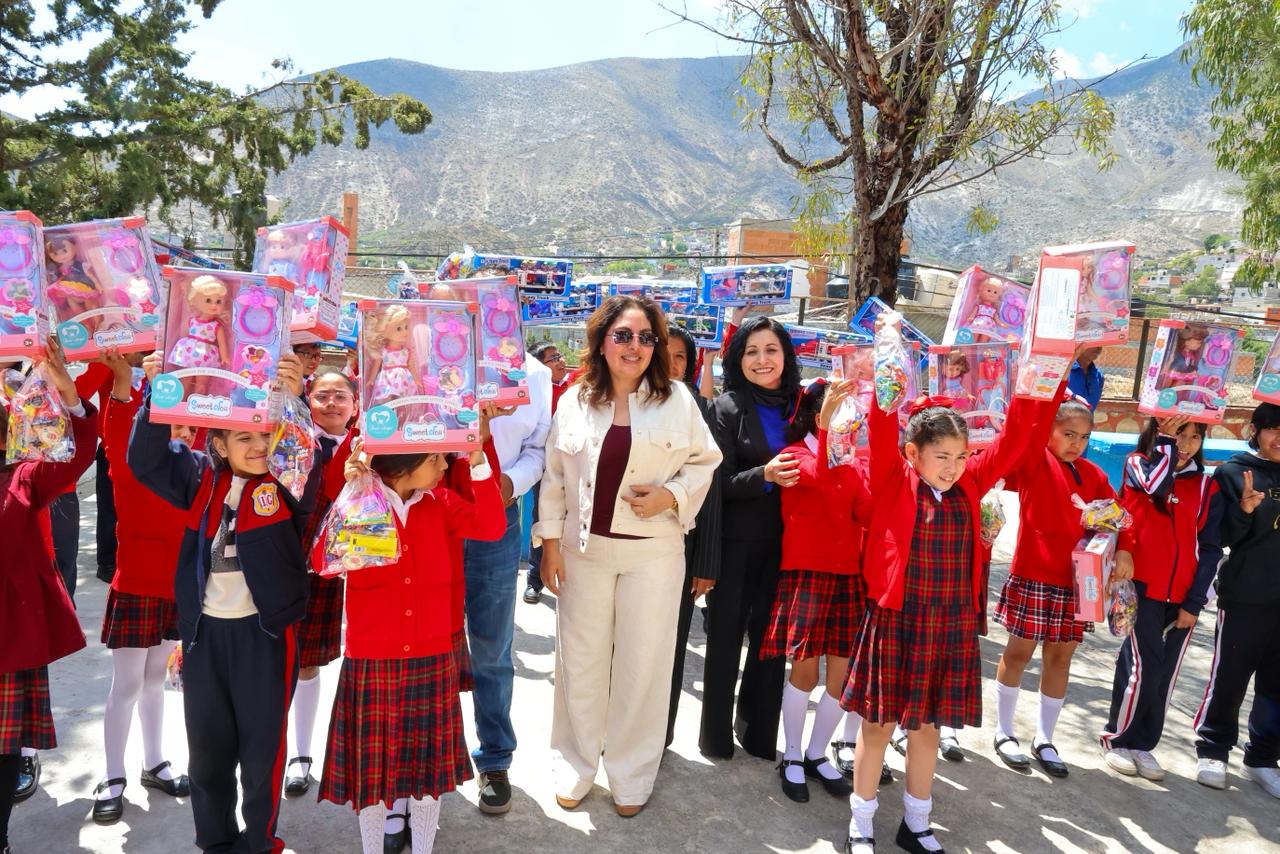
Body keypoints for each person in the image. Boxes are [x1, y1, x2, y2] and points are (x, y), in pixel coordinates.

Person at [840, 329, 1067, 854]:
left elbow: (1015, 441)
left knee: (928, 731)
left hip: (949, 624)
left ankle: (916, 823)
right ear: (912, 454)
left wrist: (1042, 380)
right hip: (898, 619)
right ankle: (861, 823)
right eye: (940, 455)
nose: (952, 465)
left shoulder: (970, 486)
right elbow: (879, 425)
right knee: (877, 728)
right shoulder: (896, 480)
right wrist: (887, 365)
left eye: (961, 456)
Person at [128, 350, 321, 854]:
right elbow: (145, 461)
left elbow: (308, 462)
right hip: (204, 637)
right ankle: (214, 842)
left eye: (265, 435)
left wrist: (296, 404)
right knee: (208, 754)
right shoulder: (198, 479)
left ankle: (259, 843)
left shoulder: (285, 484)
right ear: (217, 442)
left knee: (262, 755)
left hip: (265, 637)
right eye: (244, 437)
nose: (259, 447)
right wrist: (156, 392)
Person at [537, 296, 721, 816]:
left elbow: (706, 463)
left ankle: (632, 776)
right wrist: (550, 543)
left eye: (646, 338)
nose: (634, 346)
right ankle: (574, 766)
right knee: (581, 661)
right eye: (623, 335)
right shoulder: (573, 400)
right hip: (584, 553)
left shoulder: (678, 401)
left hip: (654, 556)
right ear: (601, 340)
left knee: (644, 665)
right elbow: (554, 478)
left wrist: (674, 496)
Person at [314, 430, 507, 854]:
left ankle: (422, 848)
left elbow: (492, 525)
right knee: (372, 776)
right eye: (436, 458)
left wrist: (477, 461)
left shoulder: (442, 504)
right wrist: (350, 494)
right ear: (407, 462)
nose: (444, 466)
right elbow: (324, 562)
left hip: (431, 656)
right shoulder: (366, 503)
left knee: (426, 776)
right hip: (372, 658)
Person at [991, 395, 1126, 778]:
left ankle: (1045, 738)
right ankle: (1004, 732)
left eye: (1083, 437)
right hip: (1033, 576)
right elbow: (1014, 445)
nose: (1076, 444)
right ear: (1049, 431)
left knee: (1060, 658)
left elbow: (1116, 520)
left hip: (1076, 584)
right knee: (1017, 654)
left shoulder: (1095, 475)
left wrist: (1124, 551)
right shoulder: (1035, 461)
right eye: (1068, 434)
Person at [0, 336, 95, 854]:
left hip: (9, 646)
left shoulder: (24, 479)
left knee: (1, 754)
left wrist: (69, 394)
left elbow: (76, 453)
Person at [91, 349, 192, 823]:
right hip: (134, 583)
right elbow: (118, 414)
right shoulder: (126, 447)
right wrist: (126, 377)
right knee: (127, 683)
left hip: (179, 583)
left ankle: (155, 761)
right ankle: (112, 775)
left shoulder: (191, 460)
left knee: (157, 679)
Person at [700, 316, 801, 761]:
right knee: (725, 638)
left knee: (771, 643)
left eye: (771, 350)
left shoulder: (803, 407)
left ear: (786, 356)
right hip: (736, 542)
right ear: (738, 359)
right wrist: (765, 475)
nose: (763, 360)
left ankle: (759, 732)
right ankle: (716, 736)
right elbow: (714, 482)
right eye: (752, 351)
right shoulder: (727, 407)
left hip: (789, 543)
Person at [1100, 416, 1219, 780]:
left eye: (1194, 437)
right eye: (1177, 435)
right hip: (1142, 589)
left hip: (1182, 597)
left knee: (1164, 674)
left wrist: (1194, 603)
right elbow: (1131, 514)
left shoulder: (1205, 487)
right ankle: (1117, 739)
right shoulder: (1139, 465)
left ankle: (1143, 745)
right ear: (1159, 434)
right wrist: (1164, 442)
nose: (1185, 444)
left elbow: (1211, 548)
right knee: (1142, 667)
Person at [761, 379, 861, 803]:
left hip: (850, 576)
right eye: (836, 410)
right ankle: (795, 755)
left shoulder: (858, 458)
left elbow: (868, 508)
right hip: (808, 573)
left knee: (841, 677)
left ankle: (820, 753)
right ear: (814, 414)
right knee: (804, 671)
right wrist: (830, 433)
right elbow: (819, 476)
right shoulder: (794, 454)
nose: (846, 419)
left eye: (849, 412)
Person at [463, 340, 551, 814]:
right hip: (430, 511)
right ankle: (429, 757)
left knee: (492, 648)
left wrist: (510, 484)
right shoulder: (426, 353)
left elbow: (538, 449)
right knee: (429, 641)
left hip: (498, 516)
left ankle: (494, 758)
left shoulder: (534, 375)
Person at [1193, 402, 1280, 798]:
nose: (1279, 438)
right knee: (1229, 677)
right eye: (1272, 429)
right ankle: (1212, 748)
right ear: (1257, 430)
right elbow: (1220, 537)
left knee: (1276, 686)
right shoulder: (1233, 473)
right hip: (1246, 595)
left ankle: (1262, 757)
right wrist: (1245, 510)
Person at [285, 366, 358, 798]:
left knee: (308, 661)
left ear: (354, 405)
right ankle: (272, 748)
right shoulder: (294, 438)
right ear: (308, 401)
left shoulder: (368, 444)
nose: (330, 403)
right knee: (274, 662)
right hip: (283, 562)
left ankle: (302, 754)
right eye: (322, 396)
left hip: (330, 571)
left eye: (340, 396)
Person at [663, 324, 721, 748]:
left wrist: (705, 564)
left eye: (680, 356)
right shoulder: (620, 402)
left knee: (671, 646)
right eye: (662, 350)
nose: (670, 361)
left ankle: (659, 736)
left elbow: (711, 492)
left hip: (681, 552)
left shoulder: (698, 410)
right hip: (623, 548)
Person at [524, 341, 570, 605]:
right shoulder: (534, 393)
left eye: (561, 355)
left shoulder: (573, 388)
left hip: (571, 468)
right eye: (554, 358)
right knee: (542, 522)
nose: (562, 361)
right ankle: (535, 581)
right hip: (542, 467)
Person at [1067, 346, 1104, 412]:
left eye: (1101, 344)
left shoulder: (1098, 376)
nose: (1099, 347)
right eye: (1094, 342)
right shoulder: (1065, 371)